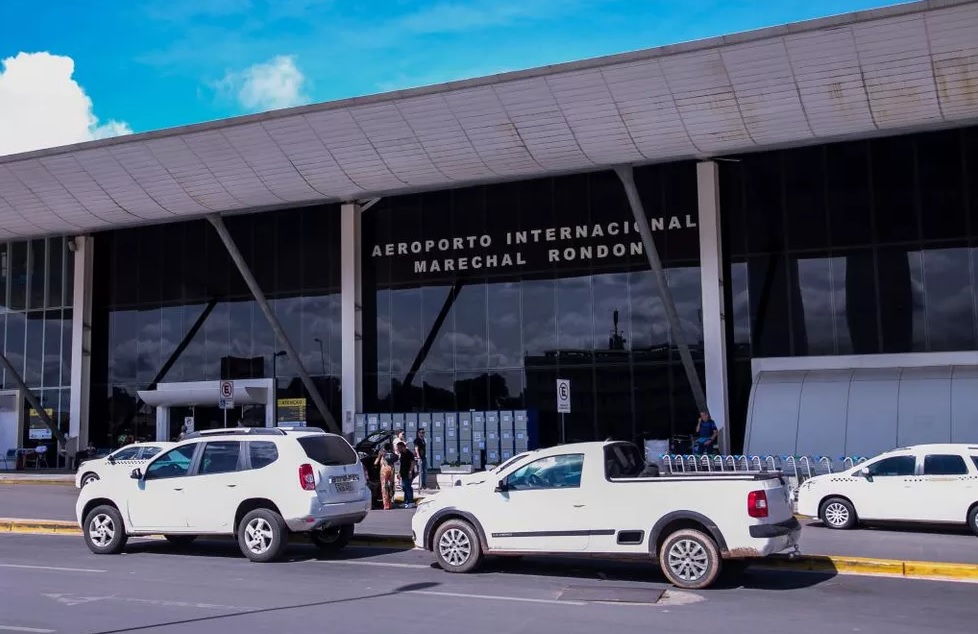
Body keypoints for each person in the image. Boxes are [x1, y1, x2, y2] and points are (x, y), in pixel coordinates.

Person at [375, 442, 395, 510]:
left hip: (384, 469)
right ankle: (390, 503)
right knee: (390, 486)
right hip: (391, 469)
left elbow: (376, 461)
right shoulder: (392, 453)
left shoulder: (381, 452)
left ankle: (386, 505)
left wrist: (375, 464)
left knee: (384, 487)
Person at [395, 441, 416, 508]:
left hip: (409, 473)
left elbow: (412, 463)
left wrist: (410, 472)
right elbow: (401, 464)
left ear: (403, 447)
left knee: (408, 487)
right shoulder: (402, 454)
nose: (398, 450)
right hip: (403, 473)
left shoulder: (409, 453)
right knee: (404, 487)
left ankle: (411, 502)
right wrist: (399, 473)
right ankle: (406, 502)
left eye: (399, 448)